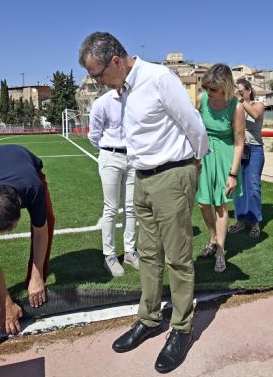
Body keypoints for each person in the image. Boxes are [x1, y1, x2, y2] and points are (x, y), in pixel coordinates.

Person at [79, 32, 209, 374]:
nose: (97, 83)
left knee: (178, 258)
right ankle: (150, 319)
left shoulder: (158, 79)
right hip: (143, 178)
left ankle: (181, 328)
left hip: (172, 175)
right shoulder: (123, 90)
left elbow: (193, 125)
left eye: (98, 75)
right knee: (149, 255)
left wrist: (193, 166)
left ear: (117, 62)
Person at [0, 144, 55, 335]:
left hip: (25, 162)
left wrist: (37, 276)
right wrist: (5, 303)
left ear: (19, 204)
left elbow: (40, 231)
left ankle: (36, 279)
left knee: (47, 220)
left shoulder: (32, 187)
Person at [195, 64, 245, 273]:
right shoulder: (201, 100)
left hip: (225, 157)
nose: (209, 92)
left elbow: (240, 142)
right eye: (206, 88)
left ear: (224, 86)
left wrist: (233, 174)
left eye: (213, 89)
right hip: (203, 156)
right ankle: (213, 237)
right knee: (203, 204)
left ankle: (220, 251)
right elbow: (192, 127)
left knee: (221, 205)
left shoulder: (237, 106)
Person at [88, 89, 139, 277]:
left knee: (131, 206)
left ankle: (129, 252)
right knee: (111, 207)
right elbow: (94, 135)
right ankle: (109, 255)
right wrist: (109, 151)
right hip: (111, 156)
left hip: (132, 157)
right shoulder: (102, 102)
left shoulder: (135, 98)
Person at [228, 79, 266, 238]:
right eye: (236, 90)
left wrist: (241, 99)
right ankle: (240, 220)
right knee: (238, 187)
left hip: (255, 149)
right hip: (238, 150)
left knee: (253, 187)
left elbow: (255, 115)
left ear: (249, 91)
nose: (238, 92)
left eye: (241, 90)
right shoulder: (235, 106)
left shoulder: (258, 105)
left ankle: (255, 222)